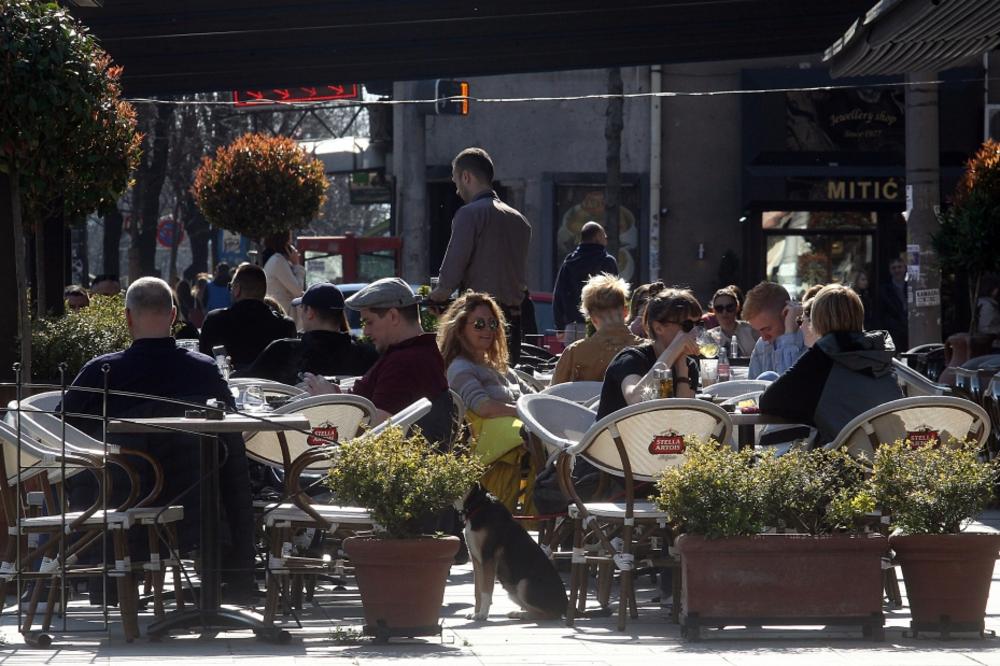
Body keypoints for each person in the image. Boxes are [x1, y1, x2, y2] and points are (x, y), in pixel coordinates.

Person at [61, 277, 255, 597]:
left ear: (127, 317)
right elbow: (229, 421)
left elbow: (63, 423)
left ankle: (112, 581)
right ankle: (223, 579)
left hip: (120, 495)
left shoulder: (102, 371)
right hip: (194, 498)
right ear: (174, 315)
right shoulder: (203, 369)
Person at [303, 278, 451, 441]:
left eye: (369, 322)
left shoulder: (404, 363)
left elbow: (376, 434)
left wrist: (330, 401)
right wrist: (336, 393)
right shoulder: (421, 351)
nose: (365, 331)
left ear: (393, 316)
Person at [759, 284, 902, 445]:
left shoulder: (823, 357)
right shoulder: (880, 352)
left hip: (846, 463)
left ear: (818, 320)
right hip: (889, 461)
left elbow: (768, 402)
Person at [427, 147, 531, 366]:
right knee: (507, 383)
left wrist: (434, 297)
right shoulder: (520, 220)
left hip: (479, 324)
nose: (456, 190)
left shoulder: (469, 214)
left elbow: (450, 277)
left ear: (466, 176)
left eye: (456, 182)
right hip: (512, 321)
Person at [437, 292, 536, 513]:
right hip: (491, 449)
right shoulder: (460, 367)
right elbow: (483, 407)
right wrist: (525, 414)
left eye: (493, 323)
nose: (488, 330)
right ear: (460, 328)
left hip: (514, 442)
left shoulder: (498, 367)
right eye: (479, 324)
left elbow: (534, 397)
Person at [238, 282, 378, 385]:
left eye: (302, 309)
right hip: (349, 423)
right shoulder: (366, 355)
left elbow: (243, 380)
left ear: (310, 312)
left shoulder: (283, 351)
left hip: (296, 422)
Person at [596, 287, 701, 420]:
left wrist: (681, 368)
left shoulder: (688, 366)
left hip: (656, 438)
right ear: (658, 328)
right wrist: (675, 348)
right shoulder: (631, 358)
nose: (695, 332)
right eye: (688, 325)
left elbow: (682, 418)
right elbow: (636, 401)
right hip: (615, 439)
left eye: (699, 324)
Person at [198, 263, 296, 371]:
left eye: (231, 287)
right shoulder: (286, 326)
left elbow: (204, 364)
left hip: (227, 387)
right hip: (274, 388)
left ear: (237, 289)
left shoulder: (215, 321)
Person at [551, 273, 641, 384]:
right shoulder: (646, 349)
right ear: (626, 312)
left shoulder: (575, 352)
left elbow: (553, 394)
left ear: (592, 319)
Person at [552, 221, 618, 344]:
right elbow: (616, 296)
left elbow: (558, 295)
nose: (606, 238)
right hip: (602, 326)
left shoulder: (569, 262)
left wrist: (560, 326)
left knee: (573, 362)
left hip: (574, 328)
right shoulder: (607, 261)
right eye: (604, 235)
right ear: (597, 237)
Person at [743, 281, 807, 380]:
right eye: (759, 331)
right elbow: (753, 388)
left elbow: (790, 386)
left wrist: (789, 337)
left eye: (767, 329)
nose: (764, 338)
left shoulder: (808, 340)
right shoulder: (762, 345)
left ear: (786, 314)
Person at [263, 232, 306, 329]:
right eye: (290, 241)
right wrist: (297, 265)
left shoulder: (277, 260)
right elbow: (298, 290)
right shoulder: (278, 261)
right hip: (284, 314)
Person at [706, 286, 758, 357]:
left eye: (729, 307)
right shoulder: (709, 336)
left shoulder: (752, 330)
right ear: (713, 311)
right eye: (719, 308)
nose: (724, 312)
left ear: (737, 307)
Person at [879, 256, 908, 352]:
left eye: (899, 267)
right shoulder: (884, 289)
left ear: (905, 268)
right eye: (894, 268)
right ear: (890, 270)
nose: (897, 270)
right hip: (894, 332)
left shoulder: (912, 285)